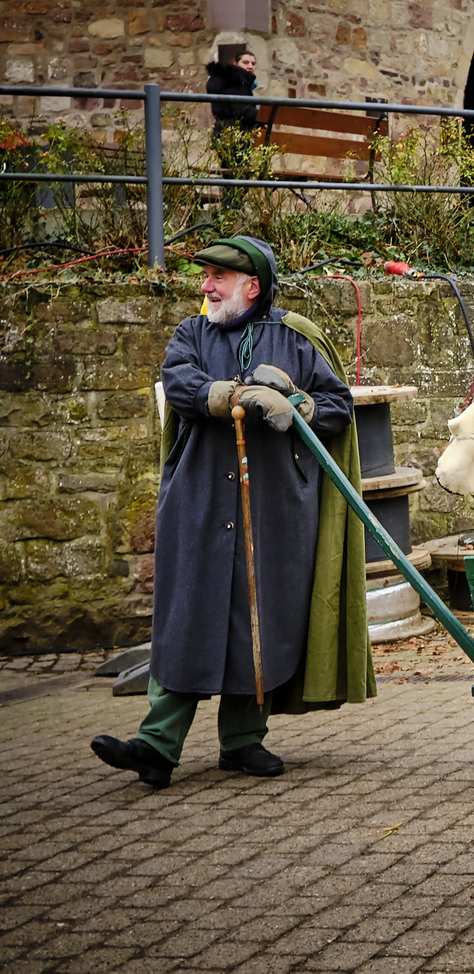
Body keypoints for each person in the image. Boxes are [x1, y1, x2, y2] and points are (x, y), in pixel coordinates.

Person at [91, 237, 373, 789]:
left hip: (275, 509)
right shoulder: (191, 334)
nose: (205, 285)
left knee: (260, 615)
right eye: (205, 276)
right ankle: (156, 745)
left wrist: (299, 405)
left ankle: (243, 742)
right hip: (198, 501)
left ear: (251, 286)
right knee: (187, 617)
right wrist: (219, 395)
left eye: (216, 277)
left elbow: (338, 405)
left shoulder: (297, 339)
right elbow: (178, 381)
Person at [206, 51, 259, 208]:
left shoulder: (232, 80)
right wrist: (262, 116)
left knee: (233, 174)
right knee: (239, 174)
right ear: (235, 64)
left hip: (225, 132)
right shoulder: (234, 81)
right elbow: (241, 109)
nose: (250, 66)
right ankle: (230, 211)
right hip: (234, 133)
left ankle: (229, 211)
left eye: (253, 63)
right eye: (245, 62)